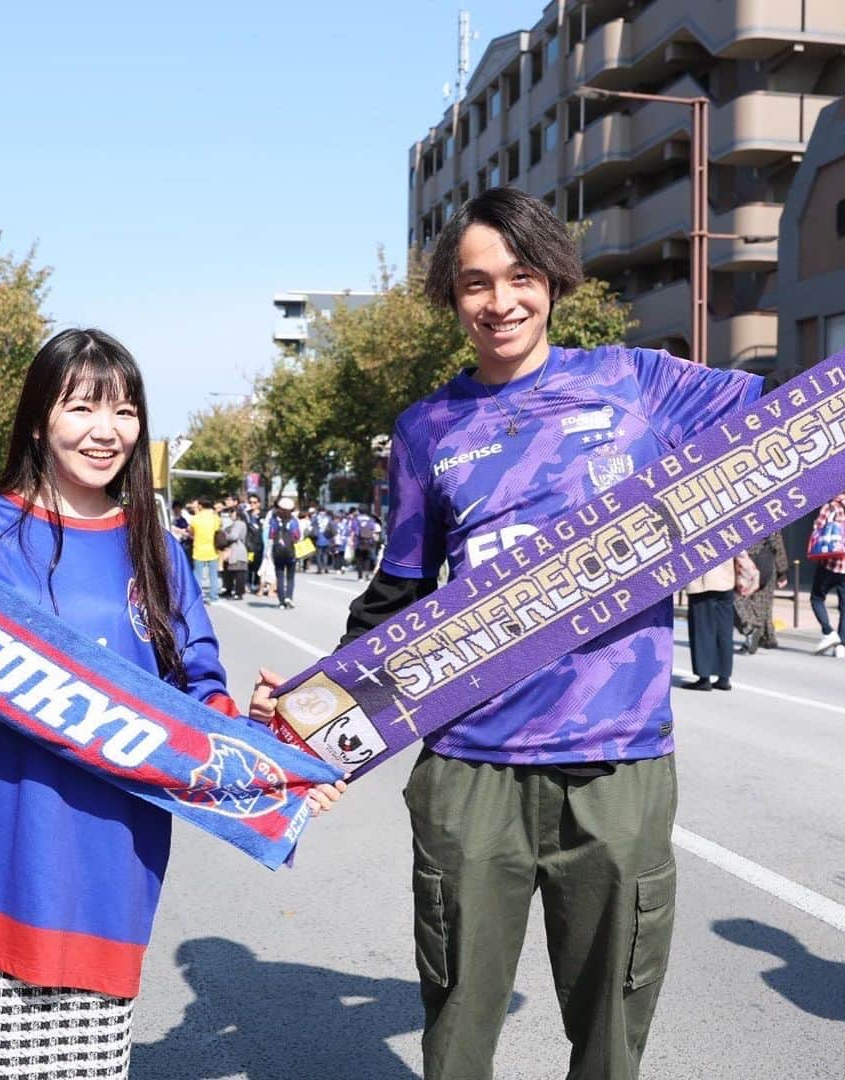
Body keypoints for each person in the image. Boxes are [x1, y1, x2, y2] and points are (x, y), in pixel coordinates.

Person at [261, 188, 762, 1080]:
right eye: (475, 284)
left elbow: (799, 433)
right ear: (452, 298)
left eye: (521, 277)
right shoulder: (425, 431)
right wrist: (308, 710)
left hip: (617, 762)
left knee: (610, 1034)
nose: (500, 302)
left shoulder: (639, 385)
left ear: (555, 280)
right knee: (457, 1030)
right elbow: (400, 593)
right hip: (470, 767)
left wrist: (773, 511)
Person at [0, 328, 345, 1080]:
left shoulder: (156, 552)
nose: (107, 431)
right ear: (39, 417)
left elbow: (198, 688)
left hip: (106, 877)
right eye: (82, 408)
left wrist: (265, 735)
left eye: (126, 411)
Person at [810, 491, 845, 659]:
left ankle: (829, 631)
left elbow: (817, 531)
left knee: (817, 598)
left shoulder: (828, 508)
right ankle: (841, 645)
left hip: (829, 563)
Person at [683, 560, 736, 690]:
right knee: (724, 631)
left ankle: (704, 677)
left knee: (702, 631)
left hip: (702, 583)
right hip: (726, 580)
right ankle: (724, 677)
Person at [734, 533, 788, 652]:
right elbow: (777, 543)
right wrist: (782, 571)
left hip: (744, 560)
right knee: (764, 601)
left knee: (739, 599)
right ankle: (766, 636)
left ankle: (752, 629)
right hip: (766, 558)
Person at [269, 496, 301, 609]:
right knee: (290, 577)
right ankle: (289, 598)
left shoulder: (274, 520)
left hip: (277, 551)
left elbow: (271, 535)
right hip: (291, 551)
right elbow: (297, 536)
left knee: (280, 576)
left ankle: (281, 601)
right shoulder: (294, 521)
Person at [188, 495, 221, 604]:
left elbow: (191, 531)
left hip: (199, 550)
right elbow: (218, 530)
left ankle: (198, 597)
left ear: (201, 506)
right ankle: (214, 597)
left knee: (198, 575)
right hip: (213, 550)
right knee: (213, 575)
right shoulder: (215, 518)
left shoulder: (196, 518)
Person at [221, 503, 249, 600]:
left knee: (238, 572)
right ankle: (229, 589)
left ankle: (238, 592)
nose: (230, 515)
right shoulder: (237, 523)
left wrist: (224, 536)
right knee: (229, 572)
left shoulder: (239, 523)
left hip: (237, 550)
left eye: (232, 513)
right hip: (233, 549)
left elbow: (234, 536)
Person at [246, 492, 265, 593]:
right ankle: (248, 583)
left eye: (254, 502)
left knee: (258, 565)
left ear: (259, 503)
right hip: (249, 544)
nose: (252, 504)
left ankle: (257, 584)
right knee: (249, 565)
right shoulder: (247, 514)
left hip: (260, 544)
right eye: (250, 502)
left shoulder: (264, 514)